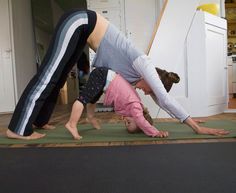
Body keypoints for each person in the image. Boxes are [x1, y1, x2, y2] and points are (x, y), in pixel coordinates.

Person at [6, 9, 229, 140]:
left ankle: (40, 120)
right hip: (81, 21)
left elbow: (161, 100)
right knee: (49, 74)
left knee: (61, 75)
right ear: (153, 79)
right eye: (147, 90)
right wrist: (197, 128)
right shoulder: (144, 64)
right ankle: (17, 128)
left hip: (83, 33)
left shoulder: (139, 79)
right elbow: (164, 97)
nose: (142, 91)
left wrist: (185, 119)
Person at [65, 67, 169, 139]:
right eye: (129, 123)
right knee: (83, 99)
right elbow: (141, 121)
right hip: (104, 76)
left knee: (92, 99)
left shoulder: (133, 107)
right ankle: (71, 124)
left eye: (126, 124)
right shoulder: (136, 107)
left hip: (105, 78)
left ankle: (91, 118)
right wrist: (155, 132)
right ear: (139, 120)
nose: (126, 123)